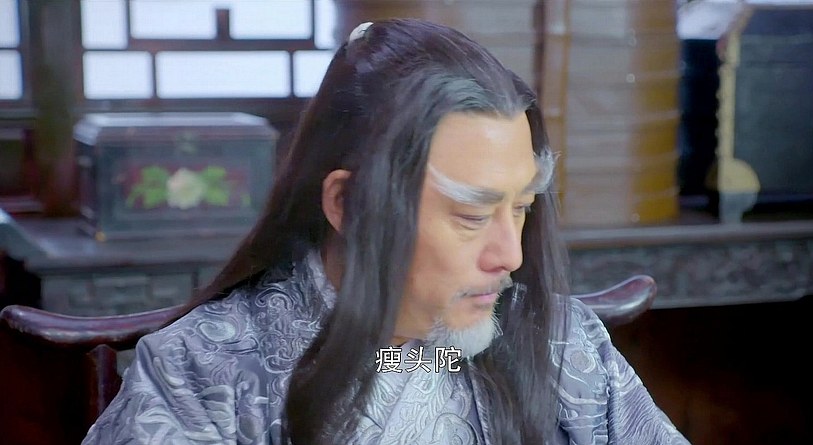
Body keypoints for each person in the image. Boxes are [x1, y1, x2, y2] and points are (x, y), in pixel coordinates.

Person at [82, 19, 689, 445]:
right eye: (472, 216)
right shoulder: (200, 371)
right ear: (347, 203)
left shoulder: (563, 343)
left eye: (522, 207)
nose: (509, 255)